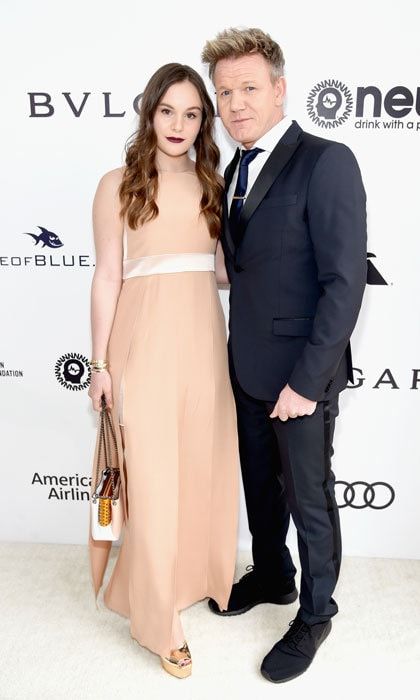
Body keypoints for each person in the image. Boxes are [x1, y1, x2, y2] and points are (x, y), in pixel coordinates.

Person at [202, 28, 367, 683]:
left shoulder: (326, 160)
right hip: (245, 367)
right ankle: (274, 577)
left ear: (278, 88)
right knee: (259, 492)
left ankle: (317, 613)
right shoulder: (232, 168)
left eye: (248, 88)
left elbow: (343, 281)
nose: (236, 104)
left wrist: (307, 381)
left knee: (310, 500)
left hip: (302, 375)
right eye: (224, 93)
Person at [87, 62, 239, 679]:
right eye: (168, 110)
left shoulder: (213, 182)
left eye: (193, 113)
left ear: (204, 123)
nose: (179, 124)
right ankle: (157, 623)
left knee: (196, 472)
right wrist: (99, 365)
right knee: (148, 480)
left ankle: (184, 580)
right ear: (149, 112)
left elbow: (223, 268)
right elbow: (105, 276)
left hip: (204, 344)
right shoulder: (118, 182)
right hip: (141, 347)